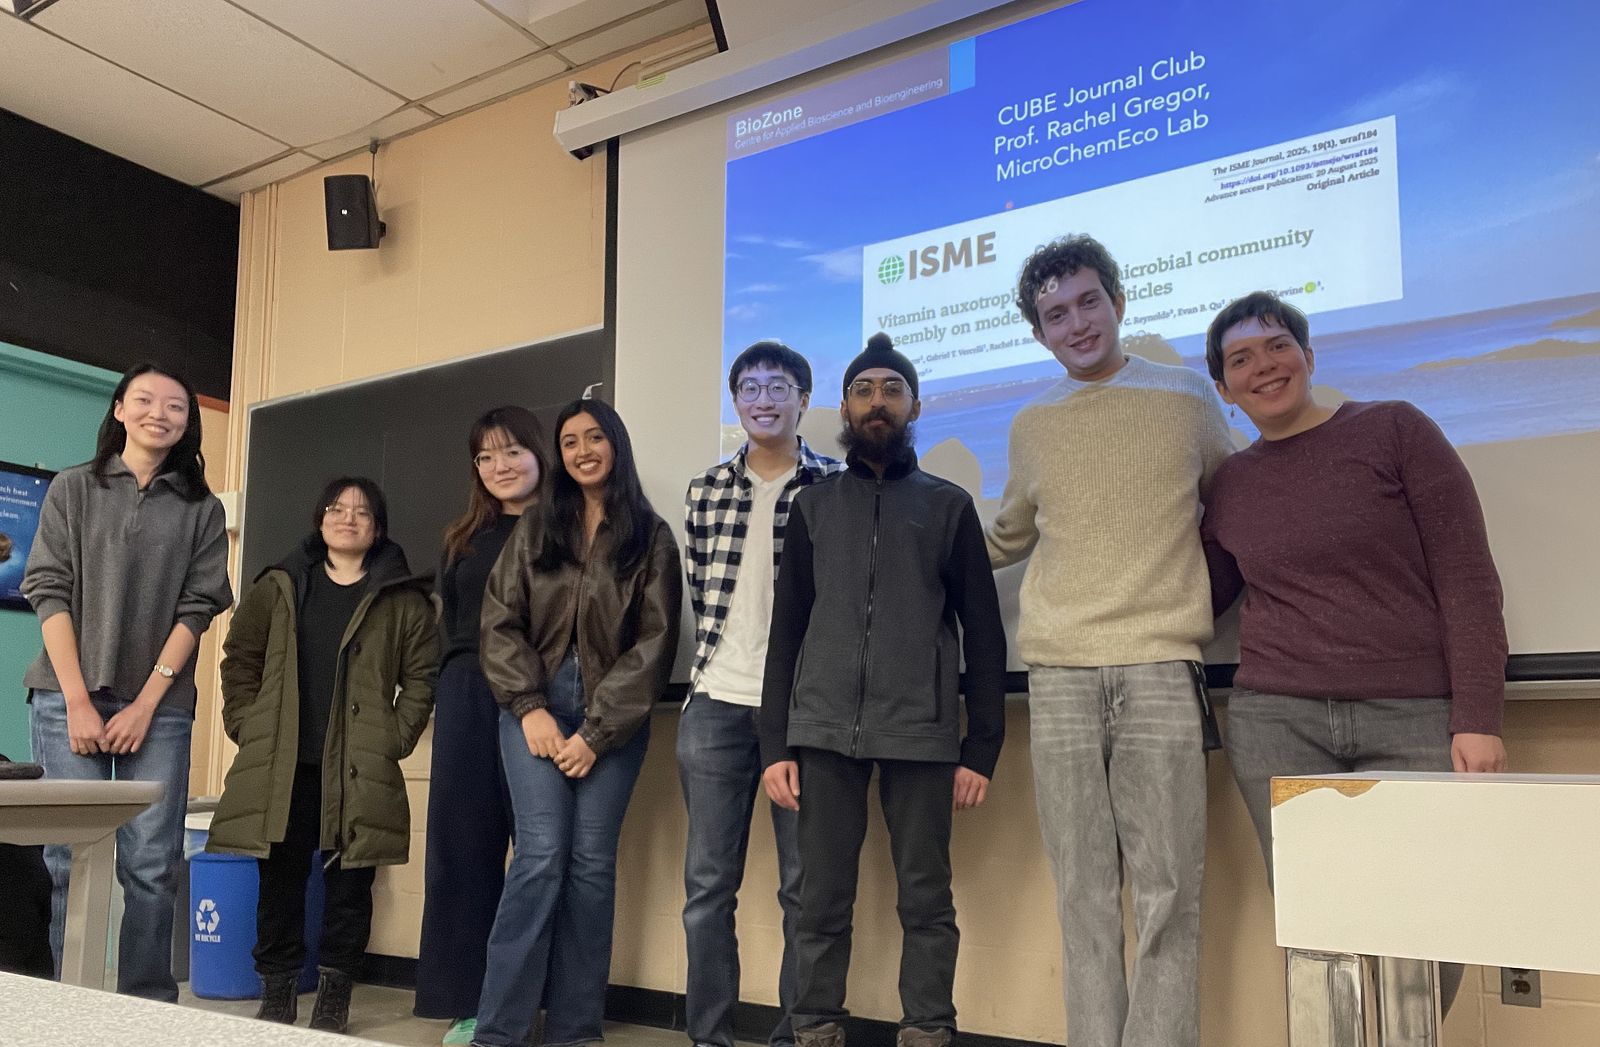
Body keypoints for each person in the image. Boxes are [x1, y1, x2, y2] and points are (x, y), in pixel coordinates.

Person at [1200, 290, 1508, 1010]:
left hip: (1413, 718)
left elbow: (1466, 575)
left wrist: (1480, 716)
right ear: (1222, 388)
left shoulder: (1394, 429)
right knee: (1316, 925)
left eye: (1277, 345)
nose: (1264, 366)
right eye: (1241, 358)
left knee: (1429, 917)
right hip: (1277, 722)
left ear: (1309, 356)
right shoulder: (1230, 483)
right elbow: (1202, 594)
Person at [985, 236, 1232, 1047]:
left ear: (1119, 302)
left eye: (1089, 301)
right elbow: (1006, 538)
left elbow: (1239, 512)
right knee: (1082, 894)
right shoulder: (1032, 424)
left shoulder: (1188, 398)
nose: (1077, 322)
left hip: (1162, 667)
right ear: (1039, 334)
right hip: (1057, 676)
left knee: (1169, 894)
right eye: (1055, 313)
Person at [760, 333, 1006, 1047]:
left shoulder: (950, 506)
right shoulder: (812, 507)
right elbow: (787, 633)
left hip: (923, 733)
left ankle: (928, 1028)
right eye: (865, 389)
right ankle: (814, 1028)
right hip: (824, 731)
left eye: (891, 390)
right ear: (845, 405)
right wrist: (776, 741)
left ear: (914, 406)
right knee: (820, 900)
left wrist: (981, 746)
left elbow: (983, 636)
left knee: (927, 899)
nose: (877, 402)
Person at [472, 398, 682, 1047]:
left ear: (615, 444)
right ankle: (498, 1032)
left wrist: (595, 732)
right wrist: (530, 707)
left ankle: (574, 1030)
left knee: (590, 865)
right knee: (540, 857)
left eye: (595, 437)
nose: (583, 449)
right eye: (569, 440)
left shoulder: (651, 535)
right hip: (532, 707)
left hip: (611, 719)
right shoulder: (536, 528)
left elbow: (655, 643)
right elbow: (499, 622)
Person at [21, 362, 232, 1001]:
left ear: (187, 423)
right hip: (66, 699)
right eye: (144, 400)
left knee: (151, 865)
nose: (158, 414)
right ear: (118, 410)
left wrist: (145, 704)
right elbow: (46, 588)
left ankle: (146, 1004)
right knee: (65, 861)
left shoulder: (203, 507)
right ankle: (62, 1001)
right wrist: (79, 700)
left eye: (175, 406)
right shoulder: (73, 488)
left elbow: (199, 607)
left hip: (159, 708)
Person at [208, 477, 438, 1032]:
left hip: (358, 767)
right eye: (337, 507)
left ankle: (335, 998)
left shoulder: (401, 597)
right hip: (285, 765)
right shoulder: (280, 585)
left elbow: (422, 677)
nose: (348, 518)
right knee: (279, 883)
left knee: (350, 889)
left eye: (362, 512)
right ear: (319, 518)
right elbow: (239, 658)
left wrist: (392, 739)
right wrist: (247, 724)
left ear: (377, 527)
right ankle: (279, 993)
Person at [680, 340, 843, 1047]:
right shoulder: (706, 489)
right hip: (716, 703)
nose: (764, 399)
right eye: (749, 387)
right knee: (707, 891)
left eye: (779, 386)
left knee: (805, 891)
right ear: (736, 400)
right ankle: (707, 1036)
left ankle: (795, 1036)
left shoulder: (834, 484)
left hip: (802, 709)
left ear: (805, 399)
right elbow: (699, 591)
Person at [414, 406, 551, 1046]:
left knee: (541, 854)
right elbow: (448, 625)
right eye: (486, 457)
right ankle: (468, 1002)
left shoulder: (570, 527)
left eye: (512, 451)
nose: (500, 466)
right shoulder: (462, 537)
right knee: (462, 851)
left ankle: (525, 1000)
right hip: (469, 690)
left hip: (542, 694)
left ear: (539, 453)